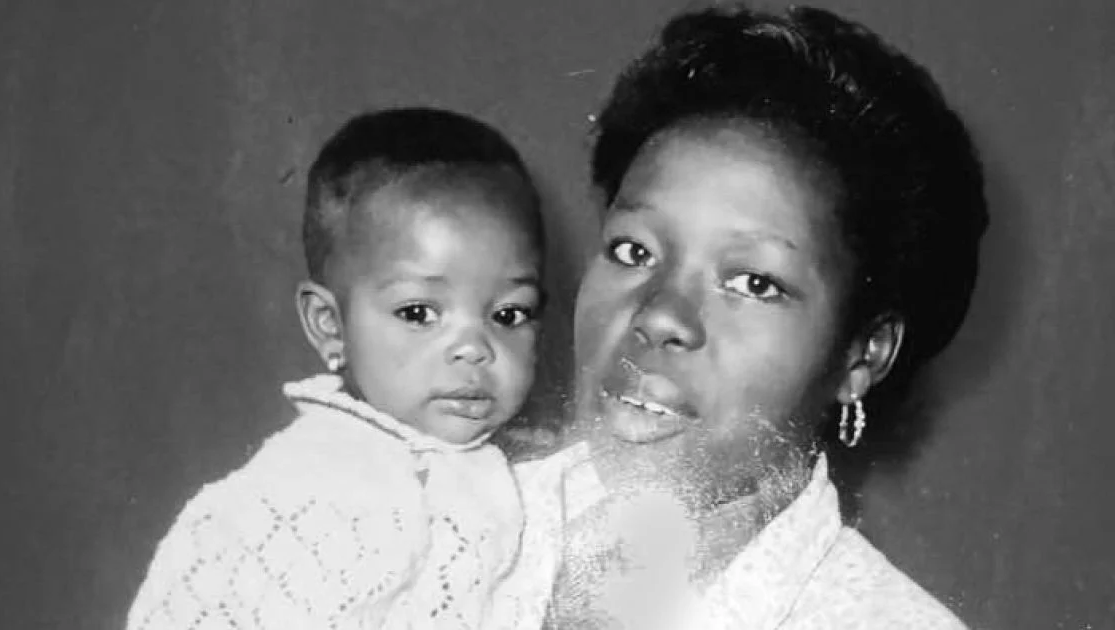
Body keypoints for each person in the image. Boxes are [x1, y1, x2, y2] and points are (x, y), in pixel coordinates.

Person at [489, 4, 988, 629]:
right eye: (633, 250)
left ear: (862, 355)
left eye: (753, 282)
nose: (662, 315)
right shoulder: (436, 521)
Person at [127, 107, 547, 629]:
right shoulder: (302, 497)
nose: (473, 349)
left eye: (509, 314)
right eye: (418, 313)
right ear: (329, 325)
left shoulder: (524, 478)